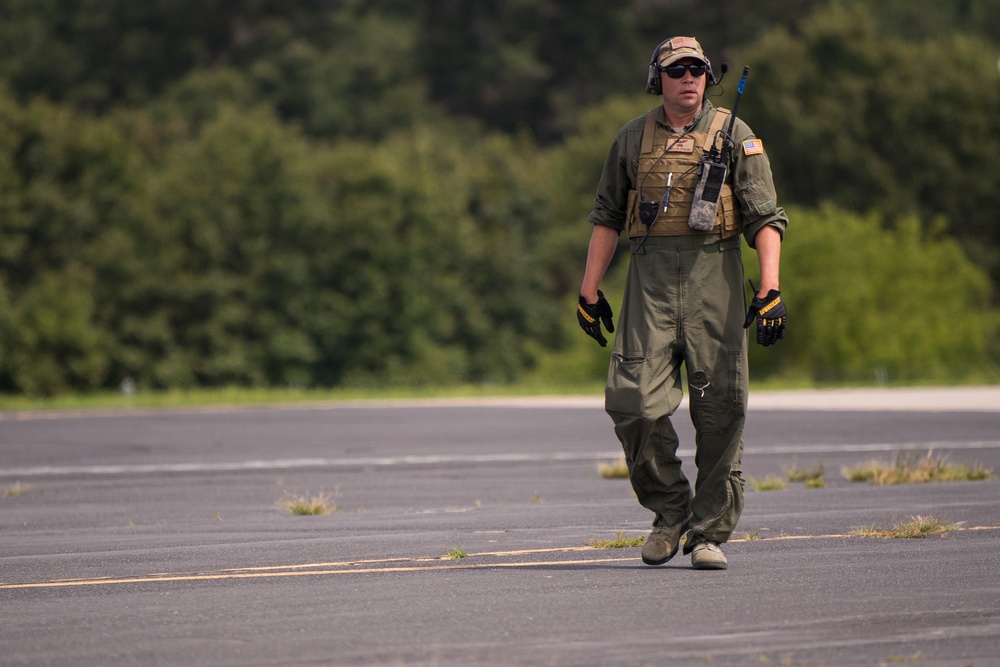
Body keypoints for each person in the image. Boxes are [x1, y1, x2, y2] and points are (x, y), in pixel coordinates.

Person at [576, 36, 788, 570]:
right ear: (659, 78)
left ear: (708, 77)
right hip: (648, 281)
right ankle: (670, 512)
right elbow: (605, 216)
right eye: (677, 70)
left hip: (715, 274)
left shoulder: (736, 135)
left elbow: (766, 218)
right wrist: (589, 289)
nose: (688, 77)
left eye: (697, 68)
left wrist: (770, 289)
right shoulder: (630, 139)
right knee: (633, 403)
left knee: (720, 407)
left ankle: (708, 531)